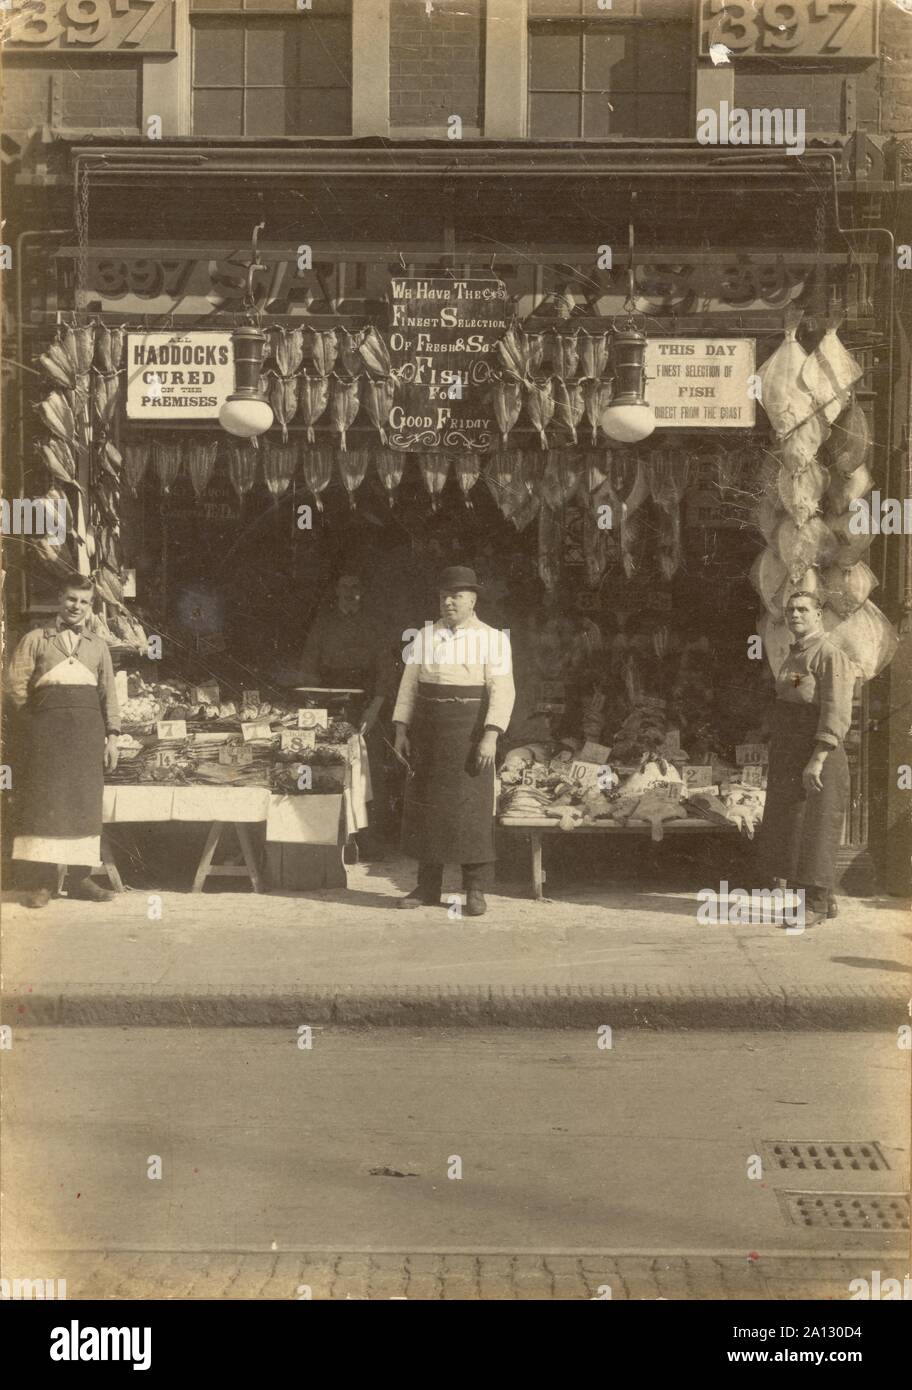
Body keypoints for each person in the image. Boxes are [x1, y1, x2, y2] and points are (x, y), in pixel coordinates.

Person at [392, 565, 515, 917]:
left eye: (457, 596)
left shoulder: (494, 639)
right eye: (444, 595)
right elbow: (409, 686)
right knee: (427, 810)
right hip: (428, 733)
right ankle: (427, 887)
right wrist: (402, 729)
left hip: (470, 732)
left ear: (473, 600)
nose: (449, 602)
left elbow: (503, 690)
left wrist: (490, 736)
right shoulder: (425, 636)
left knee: (470, 813)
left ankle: (474, 890)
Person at [7, 577, 121, 908]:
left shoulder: (97, 646)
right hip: (45, 737)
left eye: (83, 602)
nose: (76, 607)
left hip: (86, 737)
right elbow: (14, 685)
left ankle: (81, 879)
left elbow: (108, 694)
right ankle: (43, 883)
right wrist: (36, 723)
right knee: (46, 803)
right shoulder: (36, 639)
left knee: (83, 804)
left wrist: (112, 736)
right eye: (71, 599)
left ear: (90, 607)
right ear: (60, 598)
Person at [755, 590, 855, 928]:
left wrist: (817, 758)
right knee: (795, 825)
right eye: (791, 610)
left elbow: (836, 710)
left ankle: (811, 904)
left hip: (817, 751)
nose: (795, 615)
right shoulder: (796, 654)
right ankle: (823, 901)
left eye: (803, 609)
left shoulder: (830, 656)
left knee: (817, 825)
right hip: (791, 749)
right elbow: (796, 692)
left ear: (818, 615)